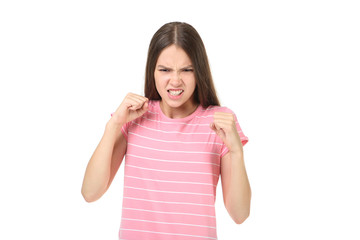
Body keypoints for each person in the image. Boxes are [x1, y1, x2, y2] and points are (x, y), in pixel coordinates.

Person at [81, 21, 251, 240]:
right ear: (152, 70)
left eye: (187, 70)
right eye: (165, 70)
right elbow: (90, 192)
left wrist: (236, 152)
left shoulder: (220, 122)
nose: (175, 80)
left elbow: (240, 214)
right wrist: (113, 126)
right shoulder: (133, 118)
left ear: (199, 71)